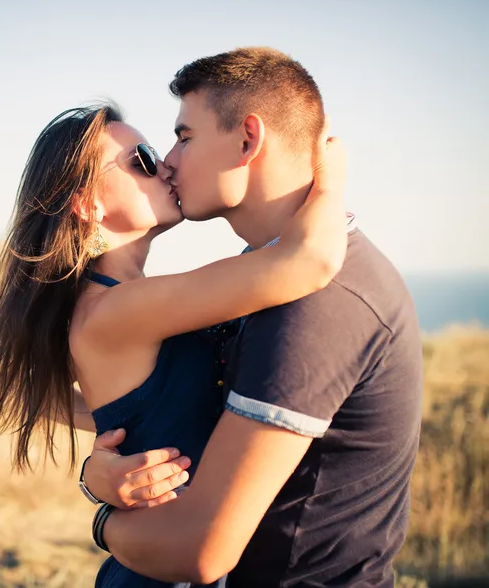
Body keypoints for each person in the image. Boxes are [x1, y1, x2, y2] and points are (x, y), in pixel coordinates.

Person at [0, 93, 347, 586]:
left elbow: (110, 400)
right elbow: (310, 262)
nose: (166, 169)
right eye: (143, 162)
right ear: (88, 204)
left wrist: (112, 444)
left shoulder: (118, 303)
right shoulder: (117, 310)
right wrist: (329, 176)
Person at [82, 47, 423, 588]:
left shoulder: (313, 302)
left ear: (247, 140)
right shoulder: (261, 277)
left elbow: (202, 550)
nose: (168, 161)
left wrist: (104, 519)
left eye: (183, 136)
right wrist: (100, 472)